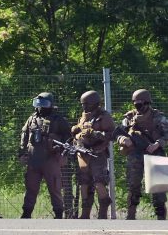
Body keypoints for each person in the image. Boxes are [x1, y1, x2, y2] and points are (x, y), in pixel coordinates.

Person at [114, 89, 168, 220]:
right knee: (133, 186)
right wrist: (122, 139)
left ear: (147, 103)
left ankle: (161, 219)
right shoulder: (129, 118)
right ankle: (131, 216)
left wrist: (157, 143)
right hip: (135, 155)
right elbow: (117, 132)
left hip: (156, 154)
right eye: (135, 103)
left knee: (159, 189)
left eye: (140, 103)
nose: (137, 106)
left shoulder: (158, 118)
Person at [18, 92, 72, 219]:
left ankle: (59, 214)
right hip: (33, 158)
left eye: (44, 104)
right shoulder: (31, 119)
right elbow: (24, 136)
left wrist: (62, 150)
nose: (41, 107)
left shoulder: (58, 120)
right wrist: (21, 154)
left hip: (51, 159)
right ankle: (26, 213)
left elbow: (68, 138)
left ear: (51, 105)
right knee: (31, 188)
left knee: (55, 188)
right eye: (38, 104)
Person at [72, 90, 114, 219]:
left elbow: (111, 134)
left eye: (87, 104)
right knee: (84, 183)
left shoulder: (104, 116)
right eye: (83, 104)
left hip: (98, 154)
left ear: (95, 104)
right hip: (83, 154)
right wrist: (78, 135)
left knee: (99, 182)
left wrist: (95, 133)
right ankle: (85, 214)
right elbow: (78, 133)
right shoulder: (84, 116)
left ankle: (102, 214)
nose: (84, 107)